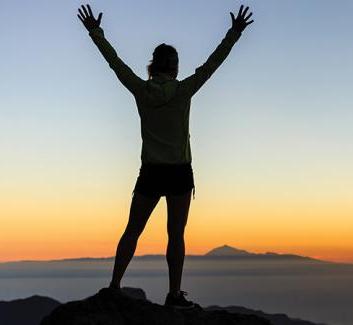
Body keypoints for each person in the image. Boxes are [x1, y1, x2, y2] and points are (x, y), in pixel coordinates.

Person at [77, 4, 254, 309]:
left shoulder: (140, 89)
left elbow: (114, 62)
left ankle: (114, 285)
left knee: (133, 229)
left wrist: (95, 31)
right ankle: (174, 294)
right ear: (173, 67)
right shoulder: (184, 90)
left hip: (151, 172)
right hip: (180, 173)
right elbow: (213, 64)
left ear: (152, 66)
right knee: (176, 235)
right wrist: (234, 33)